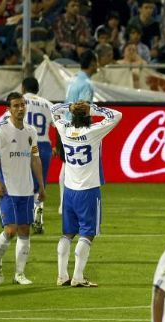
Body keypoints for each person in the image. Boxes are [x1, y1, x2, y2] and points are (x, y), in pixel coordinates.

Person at [51, 101, 122, 287]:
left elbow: (54, 110)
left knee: (67, 233)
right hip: (88, 190)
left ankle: (61, 275)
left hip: (69, 190)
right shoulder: (93, 131)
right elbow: (116, 115)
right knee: (87, 233)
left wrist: (70, 106)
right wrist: (92, 107)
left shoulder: (64, 128)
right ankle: (78, 277)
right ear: (88, 116)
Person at [0, 92, 46, 285]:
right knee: (10, 230)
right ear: (9, 109)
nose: (20, 109)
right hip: (7, 188)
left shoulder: (31, 131)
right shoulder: (1, 130)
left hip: (27, 188)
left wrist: (41, 187)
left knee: (24, 231)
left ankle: (19, 274)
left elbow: (35, 159)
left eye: (22, 105)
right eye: (16, 106)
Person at [58, 50, 98, 214]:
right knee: (75, 166)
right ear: (93, 63)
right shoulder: (87, 84)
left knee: (66, 165)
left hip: (64, 126)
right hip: (76, 127)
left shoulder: (72, 80)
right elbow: (83, 107)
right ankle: (68, 204)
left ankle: (63, 203)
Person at [22, 77, 54, 234]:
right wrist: (58, 149)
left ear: (23, 88)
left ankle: (24, 217)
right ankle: (38, 215)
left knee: (23, 183)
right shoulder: (47, 104)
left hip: (25, 144)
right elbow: (59, 126)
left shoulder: (19, 102)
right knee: (40, 185)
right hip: (44, 145)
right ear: (37, 89)